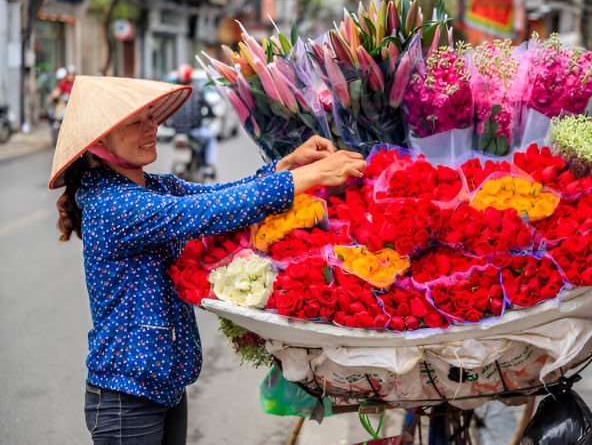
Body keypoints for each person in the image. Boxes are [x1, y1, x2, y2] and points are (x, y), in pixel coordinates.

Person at [49, 75, 365, 444]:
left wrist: (287, 166)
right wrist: (309, 176)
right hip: (127, 395)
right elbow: (206, 212)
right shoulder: (112, 205)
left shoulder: (154, 186)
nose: (151, 128)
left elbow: (222, 193)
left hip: (164, 384)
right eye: (136, 122)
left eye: (151, 117)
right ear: (98, 141)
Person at [168, 64, 218, 178]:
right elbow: (210, 110)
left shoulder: (174, 94)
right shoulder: (196, 93)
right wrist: (212, 115)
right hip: (194, 132)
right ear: (190, 78)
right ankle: (209, 165)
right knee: (210, 138)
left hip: (177, 133)